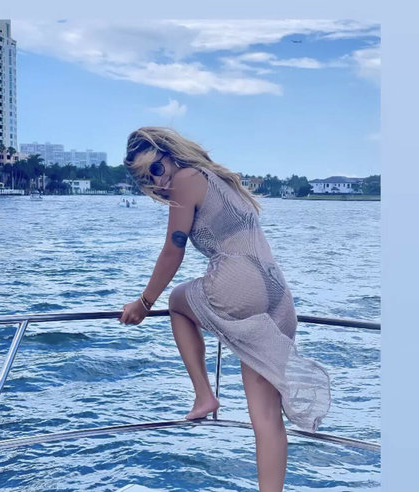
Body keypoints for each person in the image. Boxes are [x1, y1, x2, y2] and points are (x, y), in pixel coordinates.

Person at [119, 127, 331, 492]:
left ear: (169, 154)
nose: (156, 181)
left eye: (155, 169)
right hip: (278, 294)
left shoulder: (185, 178)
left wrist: (143, 302)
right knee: (266, 417)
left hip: (239, 281)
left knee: (177, 302)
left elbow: (173, 250)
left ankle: (204, 394)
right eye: (145, 179)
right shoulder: (220, 179)